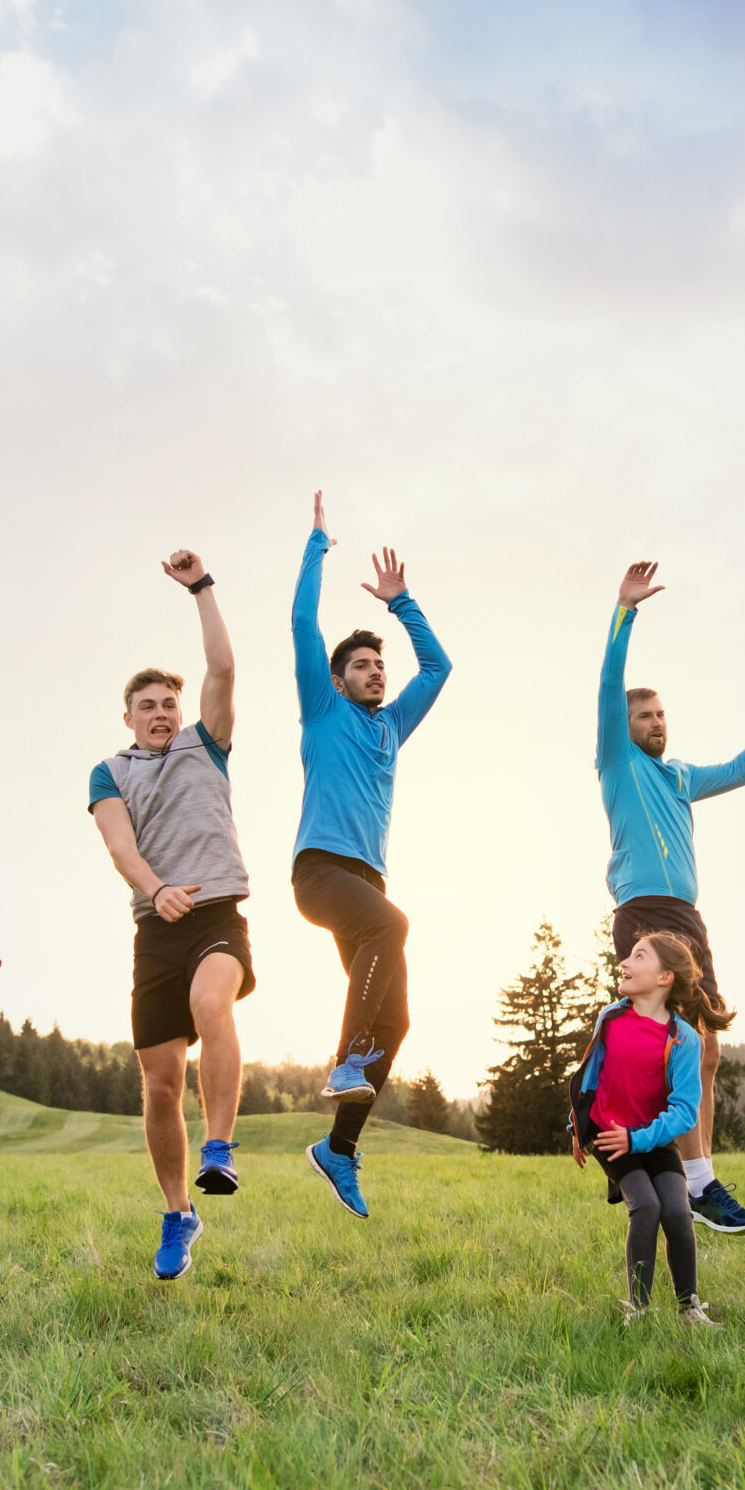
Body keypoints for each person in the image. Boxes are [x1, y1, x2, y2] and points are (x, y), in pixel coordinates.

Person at [88, 548, 253, 1282]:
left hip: (216, 910)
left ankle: (220, 1146)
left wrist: (201, 589)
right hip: (155, 925)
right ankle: (177, 1210)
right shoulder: (110, 770)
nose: (160, 713)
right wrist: (156, 889)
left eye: (168, 704)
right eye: (147, 705)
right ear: (127, 716)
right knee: (158, 1083)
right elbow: (120, 845)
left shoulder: (206, 746)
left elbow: (222, 669)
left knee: (210, 999)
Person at [291, 491, 453, 1218]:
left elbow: (439, 667)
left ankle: (340, 1149)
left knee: (401, 1022)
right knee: (392, 926)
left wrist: (403, 603)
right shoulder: (322, 711)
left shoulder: (391, 726)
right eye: (360, 665)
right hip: (319, 871)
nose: (374, 671)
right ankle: (347, 1055)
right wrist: (319, 544)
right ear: (337, 678)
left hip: (367, 878)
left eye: (377, 666)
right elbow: (301, 621)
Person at [595, 560, 745, 1234]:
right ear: (626, 724)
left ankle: (687, 1169)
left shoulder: (679, 776)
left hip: (688, 918)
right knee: (671, 1046)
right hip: (645, 912)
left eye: (662, 713)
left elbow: (740, 768)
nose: (656, 722)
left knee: (708, 1048)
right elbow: (609, 687)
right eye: (645, 714)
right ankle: (691, 1178)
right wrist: (624, 611)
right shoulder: (618, 759)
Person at [571, 933, 727, 1327]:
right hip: (610, 1135)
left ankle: (689, 1308)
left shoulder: (684, 1039)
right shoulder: (611, 1018)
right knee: (647, 1206)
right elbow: (588, 1077)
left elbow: (683, 1113)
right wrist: (576, 1127)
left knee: (677, 1210)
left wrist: (639, 1138)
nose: (625, 961)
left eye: (639, 956)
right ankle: (637, 1312)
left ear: (664, 977)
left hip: (653, 1138)